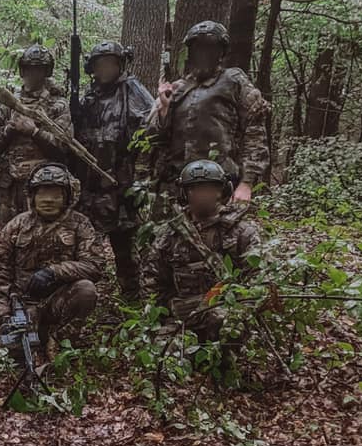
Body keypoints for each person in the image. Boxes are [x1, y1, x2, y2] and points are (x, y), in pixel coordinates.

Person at [148, 20, 270, 206]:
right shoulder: (178, 88)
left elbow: (255, 133)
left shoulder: (234, 82)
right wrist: (164, 110)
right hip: (176, 186)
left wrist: (246, 183)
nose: (203, 54)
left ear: (221, 52)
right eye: (198, 48)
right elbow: (155, 139)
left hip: (219, 185)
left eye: (210, 48)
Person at [0, 162, 104, 348]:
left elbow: (94, 265)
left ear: (66, 197)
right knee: (13, 349)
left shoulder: (80, 224)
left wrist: (54, 272)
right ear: (32, 197)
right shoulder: (17, 225)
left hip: (59, 300)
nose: (48, 200)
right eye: (42, 193)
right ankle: (33, 332)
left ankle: (60, 339)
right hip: (22, 303)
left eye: (55, 195)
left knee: (86, 290)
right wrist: (4, 312)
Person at [147, 159, 262, 342]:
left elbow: (258, 283)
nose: (202, 194)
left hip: (228, 315)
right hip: (182, 319)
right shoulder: (169, 235)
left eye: (210, 188)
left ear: (222, 191)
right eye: (194, 188)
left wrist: (234, 306)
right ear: (184, 193)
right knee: (165, 354)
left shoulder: (242, 231)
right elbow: (153, 282)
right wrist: (168, 307)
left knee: (224, 325)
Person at [74, 40, 154, 301]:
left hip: (120, 182)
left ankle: (132, 297)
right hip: (91, 184)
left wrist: (138, 174)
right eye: (100, 64)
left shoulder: (131, 89)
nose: (105, 69)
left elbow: (150, 128)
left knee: (124, 246)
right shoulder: (89, 96)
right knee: (84, 244)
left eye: (110, 63)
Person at [0, 44, 75, 228]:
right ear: (22, 70)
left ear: (46, 72)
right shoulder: (8, 103)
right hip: (9, 187)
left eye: (38, 70)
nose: (33, 74)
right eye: (29, 69)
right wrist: (11, 128)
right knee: (6, 238)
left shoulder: (57, 105)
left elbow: (63, 149)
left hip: (44, 186)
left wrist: (34, 132)